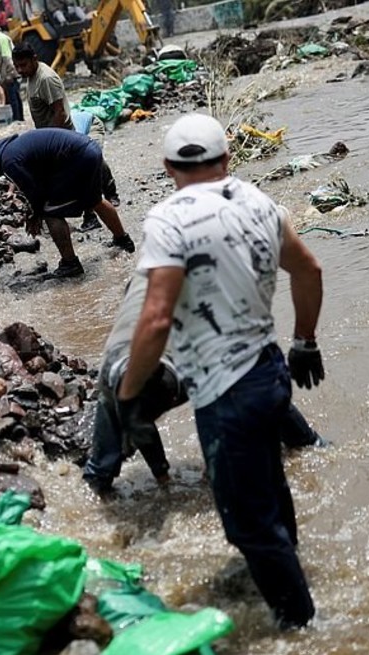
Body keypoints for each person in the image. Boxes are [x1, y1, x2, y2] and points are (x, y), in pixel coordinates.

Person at [116, 113, 325, 631]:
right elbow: (310, 269)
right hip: (272, 373)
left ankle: (302, 627)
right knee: (272, 492)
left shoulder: (168, 220)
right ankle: (289, 572)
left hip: (224, 393)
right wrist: (305, 342)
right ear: (226, 160)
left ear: (167, 167)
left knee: (248, 525)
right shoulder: (261, 203)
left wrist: (128, 393)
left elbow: (157, 317)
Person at [81, 268, 327, 496]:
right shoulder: (109, 383)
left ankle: (307, 441)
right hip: (144, 294)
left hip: (183, 292)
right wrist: (163, 478)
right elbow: (142, 425)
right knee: (101, 467)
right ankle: (96, 484)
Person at [0, 131, 135, 277]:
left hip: (77, 159)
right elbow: (37, 182)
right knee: (94, 200)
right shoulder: (8, 149)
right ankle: (123, 240)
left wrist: (35, 214)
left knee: (50, 211)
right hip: (88, 149)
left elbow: (34, 192)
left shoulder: (8, 161)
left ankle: (70, 263)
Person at [13, 46, 121, 229]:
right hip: (54, 136)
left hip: (62, 136)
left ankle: (96, 212)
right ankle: (99, 203)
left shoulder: (45, 79)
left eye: (23, 65)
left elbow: (60, 113)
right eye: (17, 66)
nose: (20, 70)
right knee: (79, 172)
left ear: (34, 59)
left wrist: (53, 142)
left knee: (81, 173)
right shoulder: (33, 77)